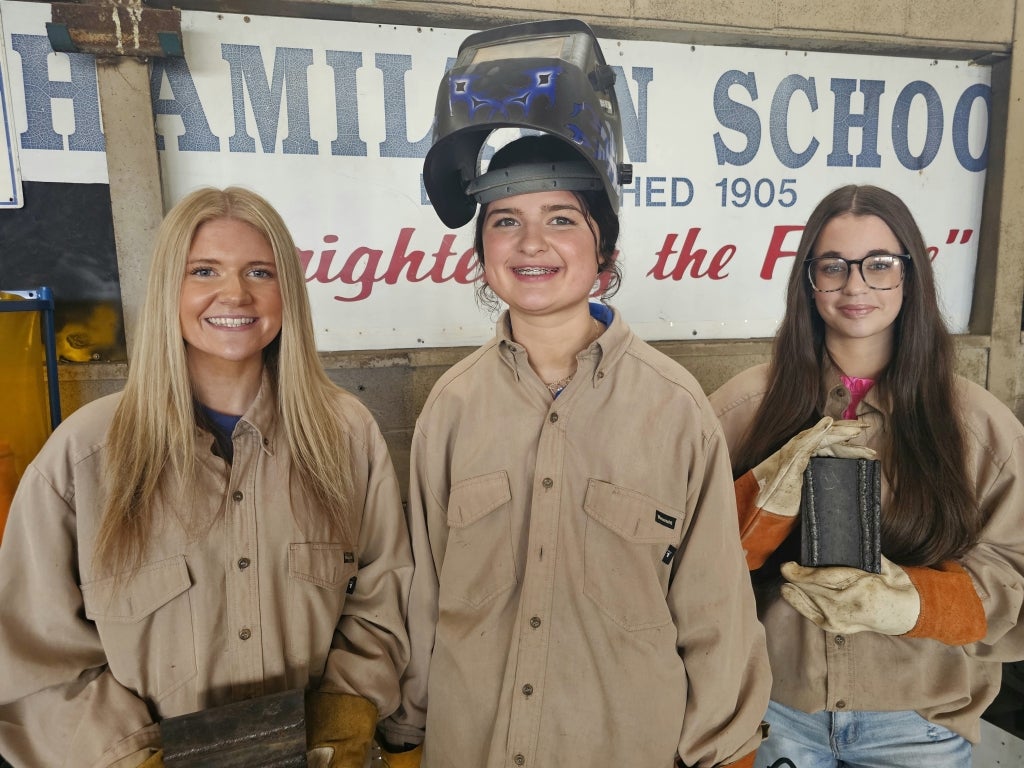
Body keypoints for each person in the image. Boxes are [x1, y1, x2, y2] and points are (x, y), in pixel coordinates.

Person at [380, 19, 771, 768]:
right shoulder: (451, 411)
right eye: (506, 223)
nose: (532, 245)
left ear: (604, 251)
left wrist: (728, 753)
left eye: (560, 220)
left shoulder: (676, 408)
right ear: (482, 251)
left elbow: (716, 610)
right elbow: (422, 598)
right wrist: (407, 737)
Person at [0, 187, 419, 768]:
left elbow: (384, 593)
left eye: (259, 272)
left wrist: (348, 706)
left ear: (287, 294)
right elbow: (34, 657)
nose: (235, 294)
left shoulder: (347, 437)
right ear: (169, 290)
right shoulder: (81, 458)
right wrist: (127, 756)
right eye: (204, 271)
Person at [710, 184, 1024, 767]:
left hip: (918, 727)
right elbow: (687, 561)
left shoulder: (978, 426)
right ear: (809, 279)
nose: (855, 286)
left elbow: (1012, 571)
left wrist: (918, 605)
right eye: (834, 266)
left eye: (879, 265)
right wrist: (752, 508)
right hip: (774, 713)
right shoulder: (740, 409)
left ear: (911, 274)